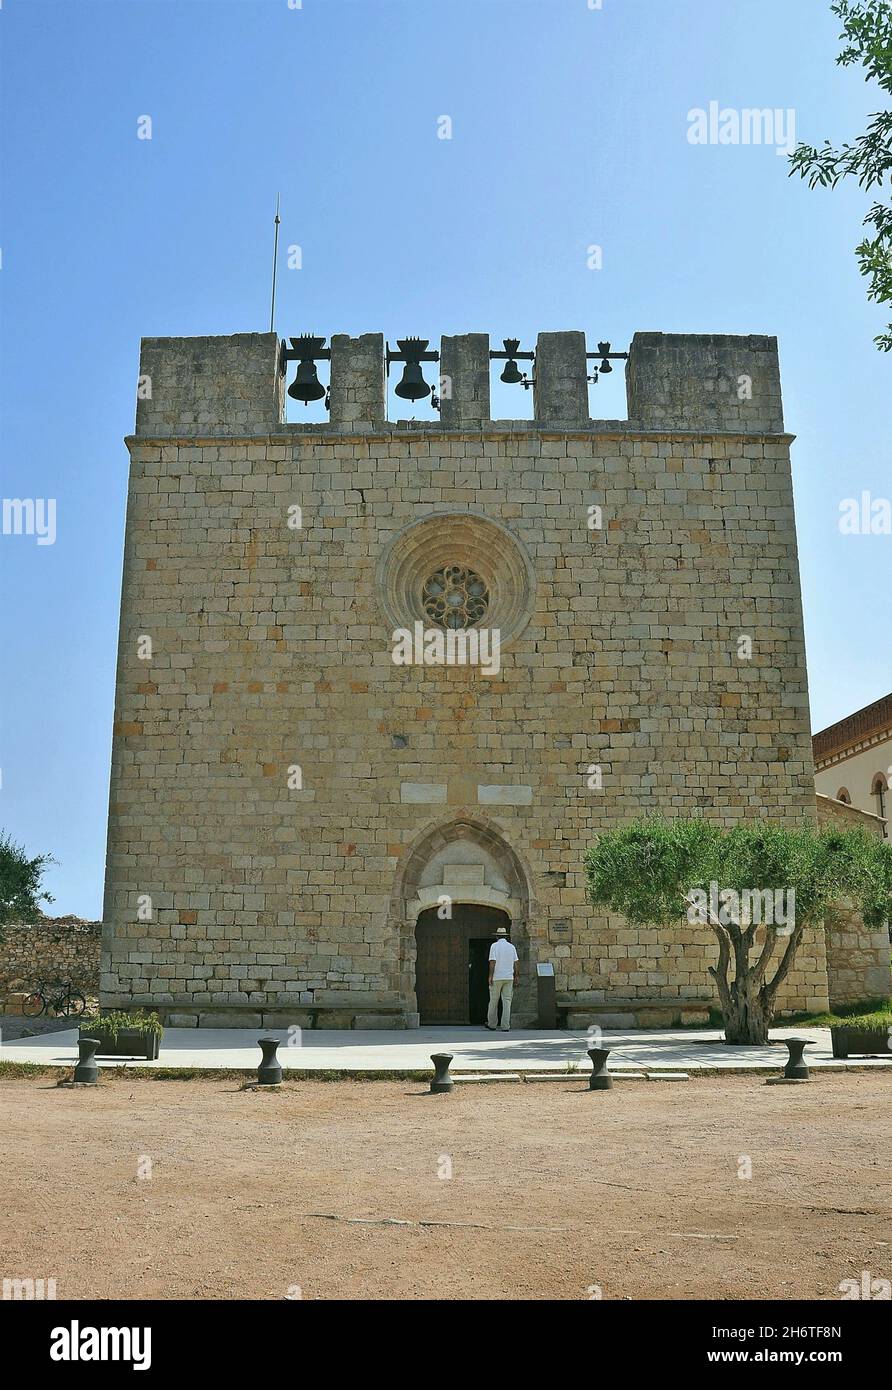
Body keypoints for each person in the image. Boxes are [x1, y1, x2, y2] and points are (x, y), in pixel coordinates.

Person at [486, 925, 518, 1032]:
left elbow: (492, 962)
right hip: (509, 977)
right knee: (507, 1002)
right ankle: (505, 1026)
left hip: (497, 977)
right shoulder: (512, 947)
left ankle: (492, 1024)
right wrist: (516, 976)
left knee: (493, 1001)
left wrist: (490, 975)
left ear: (497, 937)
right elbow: (516, 963)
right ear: (505, 936)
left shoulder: (494, 946)